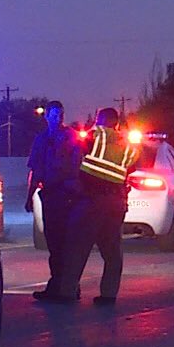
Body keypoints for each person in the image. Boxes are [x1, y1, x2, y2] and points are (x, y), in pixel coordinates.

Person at [63, 107, 139, 306]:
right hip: (115, 203)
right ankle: (109, 294)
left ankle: (68, 290)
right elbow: (131, 168)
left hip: (91, 200)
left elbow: (73, 157)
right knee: (112, 251)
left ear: (100, 120)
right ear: (116, 123)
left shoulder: (94, 137)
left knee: (78, 246)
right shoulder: (128, 146)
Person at [26, 100, 82, 302]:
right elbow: (36, 170)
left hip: (66, 196)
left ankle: (66, 287)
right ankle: (60, 285)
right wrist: (30, 197)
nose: (58, 118)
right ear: (47, 116)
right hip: (51, 195)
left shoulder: (70, 137)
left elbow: (76, 166)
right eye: (55, 115)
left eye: (61, 115)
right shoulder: (42, 139)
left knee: (64, 244)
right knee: (55, 243)